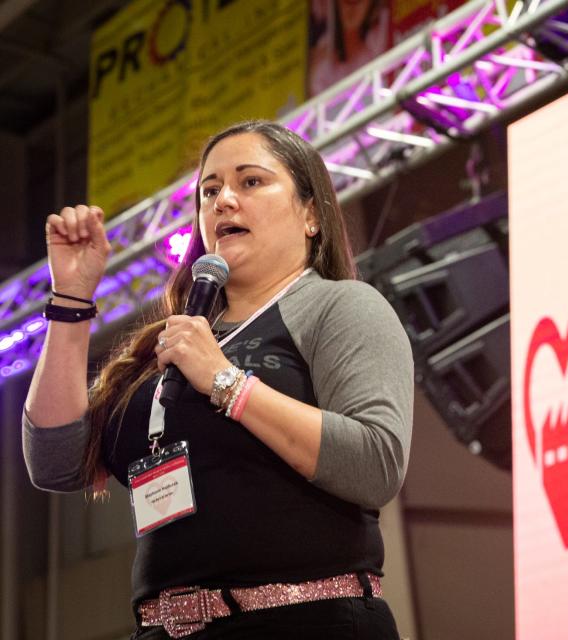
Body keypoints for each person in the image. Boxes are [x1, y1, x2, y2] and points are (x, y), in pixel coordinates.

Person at [22, 120, 414, 638]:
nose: (223, 200)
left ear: (311, 215)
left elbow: (375, 464)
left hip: (306, 621)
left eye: (250, 182)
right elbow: (55, 462)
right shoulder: (175, 340)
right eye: (210, 190)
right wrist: (72, 299)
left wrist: (226, 382)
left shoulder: (340, 306)